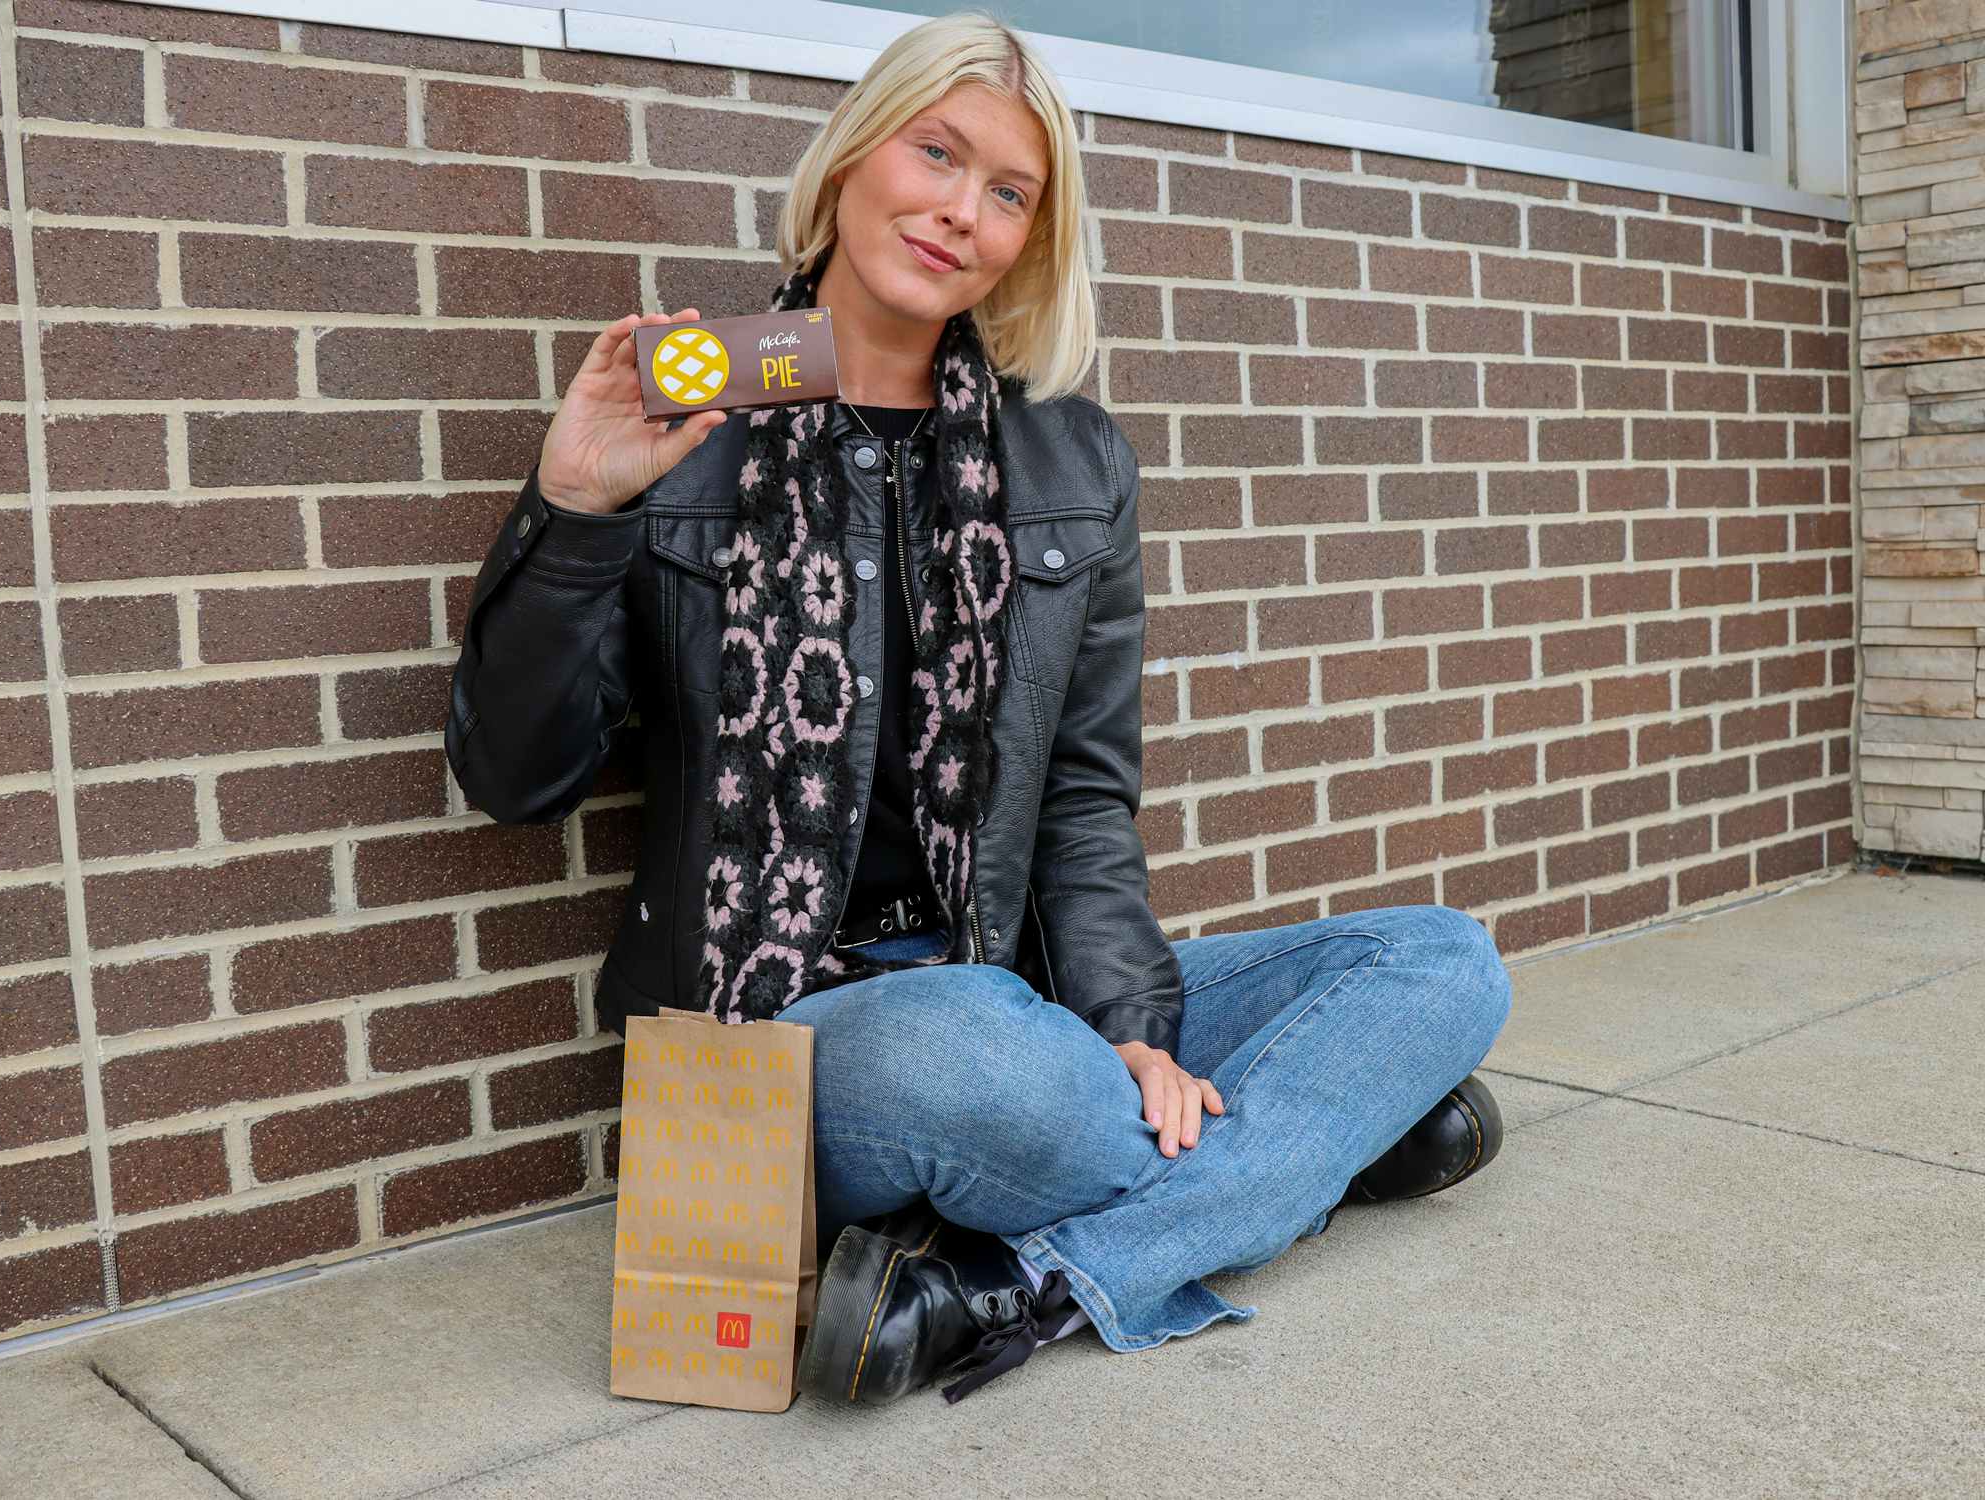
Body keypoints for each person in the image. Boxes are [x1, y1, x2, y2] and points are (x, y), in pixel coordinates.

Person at [444, 9, 1513, 1408]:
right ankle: (1331, 1154)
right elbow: (514, 777)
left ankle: (1007, 1280)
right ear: (849, 161)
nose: (961, 211)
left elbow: (1079, 793)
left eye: (1009, 192)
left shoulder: (1065, 452)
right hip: (794, 1023)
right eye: (936, 154)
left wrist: (1131, 1025)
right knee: (1000, 1074)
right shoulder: (689, 408)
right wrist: (578, 508)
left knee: (1443, 963)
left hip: (1024, 980)